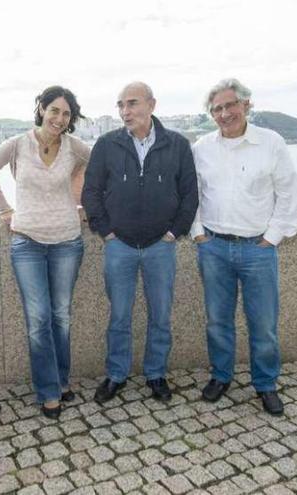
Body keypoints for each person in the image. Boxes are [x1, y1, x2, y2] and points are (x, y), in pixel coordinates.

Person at [190, 78, 297, 415]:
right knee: (217, 320)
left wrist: (272, 238)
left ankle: (266, 384)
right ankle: (221, 376)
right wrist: (198, 233)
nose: (224, 114)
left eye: (230, 106)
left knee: (263, 323)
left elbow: (289, 193)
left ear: (246, 105)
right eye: (217, 109)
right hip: (214, 247)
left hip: (258, 249)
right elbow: (191, 193)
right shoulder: (201, 147)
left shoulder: (271, 143)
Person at [82, 81, 198, 404]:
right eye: (120, 105)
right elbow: (91, 192)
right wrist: (105, 231)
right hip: (119, 246)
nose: (125, 111)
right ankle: (116, 374)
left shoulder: (177, 144)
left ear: (152, 105)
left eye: (132, 103)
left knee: (160, 314)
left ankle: (156, 373)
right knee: (119, 315)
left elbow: (190, 194)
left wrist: (175, 233)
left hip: (161, 246)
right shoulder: (106, 145)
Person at [0, 86, 91, 419]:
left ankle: (62, 382)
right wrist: (4, 210)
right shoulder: (17, 144)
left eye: (66, 114)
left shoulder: (75, 147)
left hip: (67, 240)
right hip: (27, 242)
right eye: (54, 111)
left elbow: (98, 169)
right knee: (39, 320)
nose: (59, 119)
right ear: (41, 108)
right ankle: (48, 391)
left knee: (61, 316)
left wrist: (82, 202)